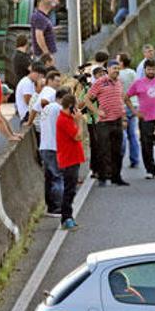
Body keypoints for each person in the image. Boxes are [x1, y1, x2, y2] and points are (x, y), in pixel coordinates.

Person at [86, 60, 128, 187]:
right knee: (103, 150)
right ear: (108, 69)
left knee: (117, 151)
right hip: (104, 122)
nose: (116, 70)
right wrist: (96, 111)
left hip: (117, 121)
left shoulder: (119, 83)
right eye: (114, 68)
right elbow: (87, 99)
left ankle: (116, 177)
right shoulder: (100, 82)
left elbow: (121, 101)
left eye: (118, 68)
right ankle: (103, 177)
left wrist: (124, 118)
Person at [126, 59, 155, 179]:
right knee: (146, 146)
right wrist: (134, 112)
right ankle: (150, 170)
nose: (151, 71)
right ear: (145, 70)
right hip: (145, 119)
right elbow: (126, 97)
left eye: (153, 69)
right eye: (149, 69)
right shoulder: (138, 83)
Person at [56, 94, 86, 230]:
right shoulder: (64, 120)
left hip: (73, 157)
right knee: (69, 190)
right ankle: (66, 218)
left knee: (71, 189)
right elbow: (78, 136)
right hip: (68, 158)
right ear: (71, 106)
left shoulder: (69, 118)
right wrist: (79, 121)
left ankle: (69, 216)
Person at [39, 88, 67, 218]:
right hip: (55, 147)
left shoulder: (46, 109)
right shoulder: (58, 109)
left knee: (49, 178)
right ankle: (58, 207)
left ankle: (50, 206)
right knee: (58, 177)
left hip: (44, 146)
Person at [117, 53, 140, 169]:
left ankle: (120, 157)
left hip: (123, 105)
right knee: (133, 134)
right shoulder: (133, 73)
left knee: (123, 134)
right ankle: (135, 159)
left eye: (117, 61)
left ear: (121, 62)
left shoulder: (118, 75)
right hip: (134, 104)